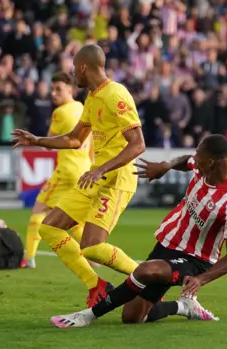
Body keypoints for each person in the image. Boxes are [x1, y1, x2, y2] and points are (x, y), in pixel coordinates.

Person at [49, 134, 227, 328]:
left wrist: (201, 279)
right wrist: (166, 165)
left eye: (199, 157)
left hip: (195, 260)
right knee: (132, 317)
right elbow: (187, 160)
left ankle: (86, 316)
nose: (195, 158)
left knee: (145, 270)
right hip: (168, 243)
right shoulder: (203, 168)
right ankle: (183, 307)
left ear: (212, 163)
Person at [11, 44, 146, 307]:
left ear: (83, 67)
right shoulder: (93, 98)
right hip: (94, 177)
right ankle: (97, 285)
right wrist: (37, 139)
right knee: (49, 227)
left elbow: (138, 144)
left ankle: (149, 279)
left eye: (74, 68)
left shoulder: (115, 94)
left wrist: (101, 168)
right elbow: (75, 139)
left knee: (92, 247)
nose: (74, 74)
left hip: (116, 179)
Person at [23, 72, 93, 269]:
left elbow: (47, 143)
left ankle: (28, 257)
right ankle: (94, 254)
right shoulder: (82, 108)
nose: (54, 94)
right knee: (75, 219)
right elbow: (92, 141)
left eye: (58, 89)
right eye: (52, 89)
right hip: (83, 170)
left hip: (66, 171)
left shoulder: (60, 112)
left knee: (39, 209)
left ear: (70, 90)